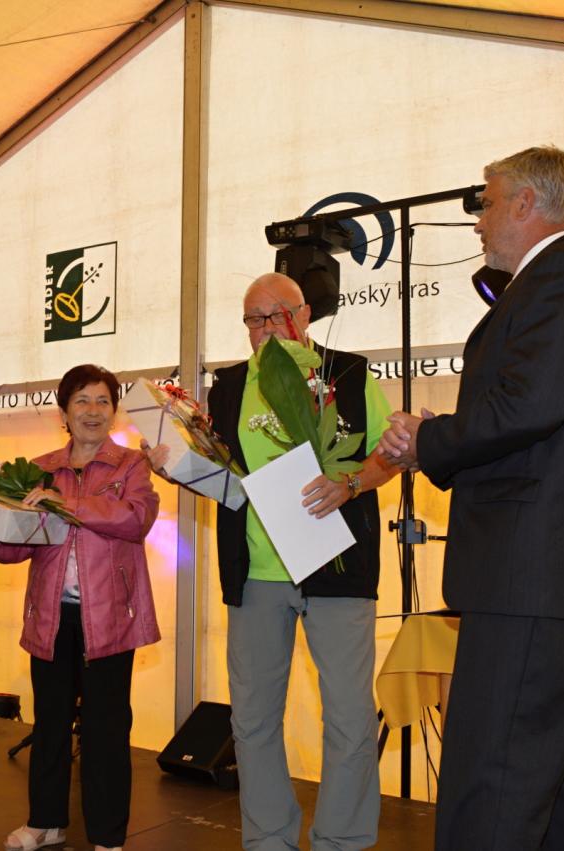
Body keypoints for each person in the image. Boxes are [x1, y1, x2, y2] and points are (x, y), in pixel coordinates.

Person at [378, 146, 564, 850]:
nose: (479, 221)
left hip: (536, 576)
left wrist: (430, 442)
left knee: (493, 783)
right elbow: (536, 412)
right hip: (549, 578)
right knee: (563, 777)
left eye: (488, 203)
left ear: (527, 203)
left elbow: (530, 404)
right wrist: (442, 437)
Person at [151, 273, 398, 850]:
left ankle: (342, 841)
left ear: (304, 314)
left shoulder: (349, 374)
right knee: (253, 720)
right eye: (252, 319)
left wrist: (350, 485)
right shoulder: (230, 386)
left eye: (274, 316)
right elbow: (225, 478)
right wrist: (178, 468)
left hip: (339, 568)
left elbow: (391, 454)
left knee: (349, 718)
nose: (264, 329)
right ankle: (268, 841)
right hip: (257, 573)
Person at [0, 364, 160, 851]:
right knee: (49, 722)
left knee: (107, 728)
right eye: (81, 400)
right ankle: (46, 822)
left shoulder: (132, 465)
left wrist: (63, 504)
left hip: (110, 618)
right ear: (63, 411)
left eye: (103, 401)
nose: (93, 411)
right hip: (51, 616)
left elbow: (136, 519)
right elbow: (20, 544)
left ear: (114, 411)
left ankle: (108, 836)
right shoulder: (39, 469)